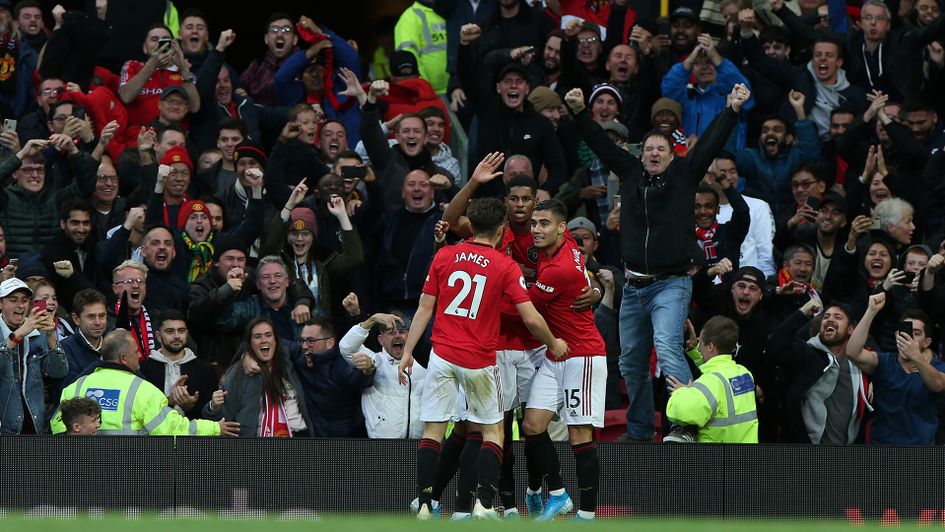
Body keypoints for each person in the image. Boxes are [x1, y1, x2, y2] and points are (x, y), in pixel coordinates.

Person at [567, 83, 752, 442]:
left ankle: (682, 426)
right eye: (649, 148)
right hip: (633, 286)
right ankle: (638, 431)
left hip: (671, 283)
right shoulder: (631, 172)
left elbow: (711, 143)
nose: (653, 153)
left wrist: (731, 109)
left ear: (671, 154)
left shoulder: (684, 173)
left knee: (668, 348)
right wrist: (578, 113)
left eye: (660, 149)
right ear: (641, 155)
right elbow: (603, 145)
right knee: (630, 363)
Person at [399, 197, 568, 520]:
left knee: (434, 431)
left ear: (471, 226)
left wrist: (407, 351)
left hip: (442, 355)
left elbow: (424, 307)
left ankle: (424, 504)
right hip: (478, 359)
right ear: (503, 229)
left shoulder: (445, 255)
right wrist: (553, 342)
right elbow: (531, 318)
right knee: (493, 431)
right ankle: (485, 504)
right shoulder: (505, 266)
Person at [520, 200, 607, 522]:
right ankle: (558, 494)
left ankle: (587, 515)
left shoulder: (560, 269)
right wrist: (594, 287)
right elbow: (585, 275)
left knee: (579, 434)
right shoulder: (567, 246)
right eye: (534, 223)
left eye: (544, 224)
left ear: (560, 227)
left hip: (582, 355)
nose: (537, 230)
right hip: (556, 355)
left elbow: (525, 309)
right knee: (532, 424)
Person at [51, 329, 238, 436]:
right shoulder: (144, 391)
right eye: (135, 352)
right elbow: (173, 429)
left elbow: (57, 427)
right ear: (123, 358)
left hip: (81, 473)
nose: (140, 356)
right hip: (128, 473)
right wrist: (215, 428)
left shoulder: (76, 386)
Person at [846, 294, 945, 445]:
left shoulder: (936, 366)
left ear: (927, 342)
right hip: (882, 447)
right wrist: (871, 311)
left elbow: (938, 384)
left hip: (921, 450)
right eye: (904, 331)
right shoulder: (884, 361)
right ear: (896, 336)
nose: (909, 337)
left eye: (916, 333)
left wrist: (916, 357)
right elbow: (853, 352)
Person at [767, 299, 870, 444]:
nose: (830, 320)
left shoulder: (859, 363)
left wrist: (872, 382)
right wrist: (802, 312)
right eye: (826, 317)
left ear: (850, 329)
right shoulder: (806, 354)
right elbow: (775, 344)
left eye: (838, 317)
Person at [208, 317, 311, 438]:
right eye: (257, 337)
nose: (264, 340)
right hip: (256, 447)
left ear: (276, 340)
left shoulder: (290, 365)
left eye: (268, 335)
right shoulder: (238, 373)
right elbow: (224, 419)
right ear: (250, 343)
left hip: (298, 441)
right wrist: (213, 407)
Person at [666, 316, 759, 443]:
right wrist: (693, 351)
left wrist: (683, 392)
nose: (699, 347)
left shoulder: (709, 384)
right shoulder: (744, 373)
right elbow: (717, 371)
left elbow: (678, 412)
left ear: (710, 347)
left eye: (701, 342)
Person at [0, 138, 97, 258]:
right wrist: (21, 154)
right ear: (14, 173)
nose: (35, 175)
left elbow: (86, 187)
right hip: (14, 270)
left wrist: (73, 151)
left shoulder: (56, 198)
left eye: (39, 170)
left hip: (49, 270)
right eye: (28, 170)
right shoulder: (5, 198)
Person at [339, 310, 425, 439]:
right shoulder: (375, 361)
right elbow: (347, 347)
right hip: (382, 447)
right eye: (390, 332)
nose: (397, 335)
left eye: (402, 331)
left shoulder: (424, 366)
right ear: (381, 340)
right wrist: (371, 320)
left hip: (419, 446)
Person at [0, 277, 67, 434]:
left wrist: (50, 336)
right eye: (13, 300)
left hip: (35, 423)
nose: (20, 305)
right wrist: (18, 334)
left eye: (24, 300)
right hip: (5, 425)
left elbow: (58, 372)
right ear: (1, 304)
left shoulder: (38, 333)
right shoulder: (24, 330)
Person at [292, 317, 372, 437]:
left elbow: (359, 379)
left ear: (330, 343)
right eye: (302, 341)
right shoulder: (301, 359)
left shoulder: (342, 364)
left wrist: (368, 370)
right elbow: (277, 345)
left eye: (310, 341)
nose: (304, 346)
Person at [118, 24, 201, 137]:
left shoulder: (185, 72)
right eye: (154, 39)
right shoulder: (132, 66)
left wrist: (182, 68)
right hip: (137, 137)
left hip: (173, 138)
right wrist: (152, 65)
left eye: (165, 40)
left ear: (174, 46)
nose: (159, 44)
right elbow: (126, 96)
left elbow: (194, 108)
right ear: (145, 47)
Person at [141, 310, 218, 420]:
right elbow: (140, 411)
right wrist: (169, 402)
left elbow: (212, 416)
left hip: (192, 435)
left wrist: (190, 407)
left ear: (186, 333)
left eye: (181, 331)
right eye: (170, 331)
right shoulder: (144, 369)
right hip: (154, 436)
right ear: (158, 336)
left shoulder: (205, 370)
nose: (177, 336)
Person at [241, 13, 299, 106]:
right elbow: (238, 90)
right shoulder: (256, 67)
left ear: (295, 39)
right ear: (266, 39)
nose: (280, 34)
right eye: (274, 30)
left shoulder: (304, 67)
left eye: (286, 30)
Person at [58, 289, 109, 393]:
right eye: (91, 317)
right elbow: (66, 390)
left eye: (102, 316)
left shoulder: (114, 343)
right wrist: (101, 363)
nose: (98, 322)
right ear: (76, 319)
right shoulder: (64, 348)